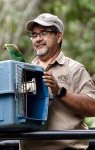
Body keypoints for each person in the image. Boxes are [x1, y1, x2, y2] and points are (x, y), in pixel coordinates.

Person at [20, 13, 95, 150]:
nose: (38, 39)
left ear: (59, 36)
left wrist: (59, 92)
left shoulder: (75, 69)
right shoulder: (22, 71)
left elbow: (93, 107)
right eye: (34, 35)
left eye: (44, 33)